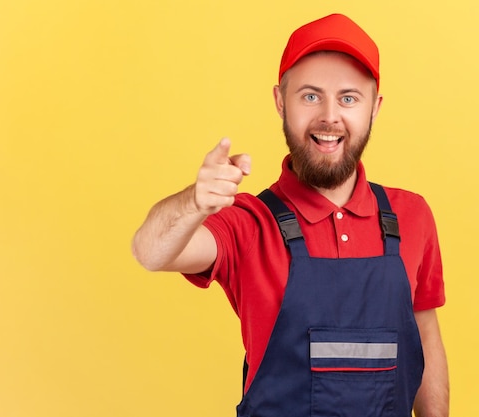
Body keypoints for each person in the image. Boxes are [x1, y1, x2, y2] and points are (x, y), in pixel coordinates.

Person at [132, 13, 449, 417]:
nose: (330, 117)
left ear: (375, 108)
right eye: (311, 96)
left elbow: (425, 333)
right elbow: (150, 252)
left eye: (349, 98)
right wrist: (194, 202)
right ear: (281, 101)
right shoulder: (248, 222)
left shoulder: (412, 216)